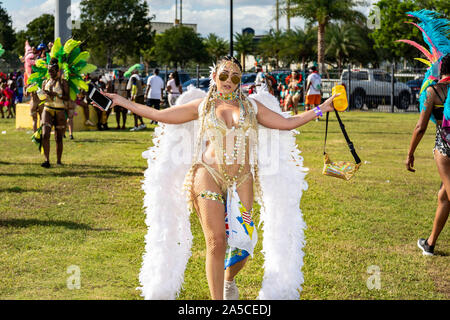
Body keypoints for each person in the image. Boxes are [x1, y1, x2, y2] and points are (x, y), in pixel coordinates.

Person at [93, 56, 338, 300]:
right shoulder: (202, 106)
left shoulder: (251, 107)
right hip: (207, 174)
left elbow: (287, 122)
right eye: (223, 76)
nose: (228, 81)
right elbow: (160, 114)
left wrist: (322, 107)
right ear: (214, 77)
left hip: (242, 178)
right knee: (216, 241)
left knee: (244, 244)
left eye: (234, 77)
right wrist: (124, 102)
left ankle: (228, 280)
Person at [403, 11, 450, 256]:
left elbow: (420, 127)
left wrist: (410, 154)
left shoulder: (433, 91)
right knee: (444, 195)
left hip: (445, 146)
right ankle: (430, 244)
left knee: (449, 190)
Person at [38, 58, 70, 168]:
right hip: (47, 109)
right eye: (49, 71)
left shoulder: (63, 82)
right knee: (45, 134)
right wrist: (41, 94)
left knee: (58, 137)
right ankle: (46, 160)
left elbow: (67, 97)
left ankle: (59, 161)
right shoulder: (45, 82)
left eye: (52, 71)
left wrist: (56, 95)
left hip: (60, 110)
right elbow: (42, 97)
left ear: (57, 71)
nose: (50, 73)